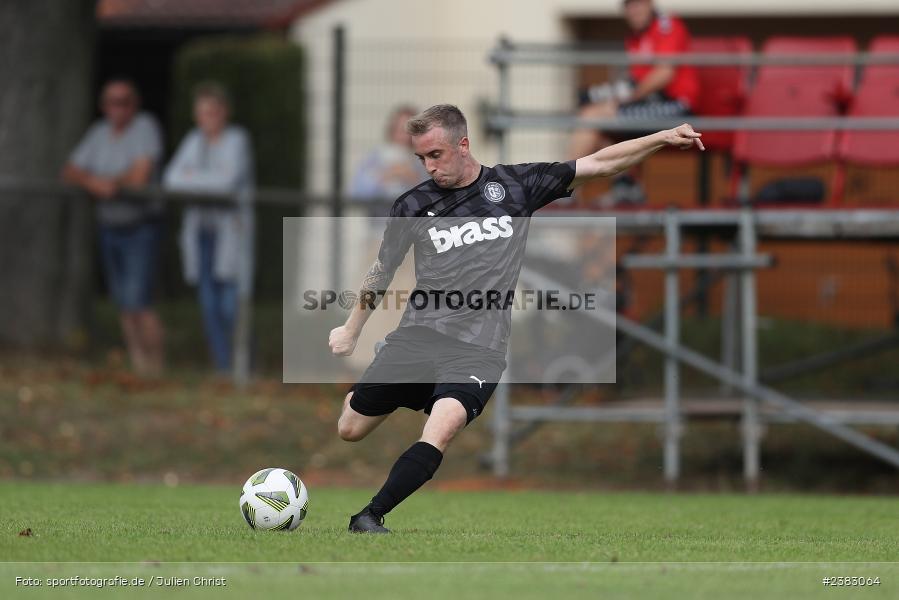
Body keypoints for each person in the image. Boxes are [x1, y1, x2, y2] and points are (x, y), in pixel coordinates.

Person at [328, 104, 703, 533]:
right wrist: (351, 329)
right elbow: (382, 271)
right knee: (350, 428)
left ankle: (370, 516)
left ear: (462, 144)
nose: (430, 167)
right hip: (419, 337)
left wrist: (659, 138)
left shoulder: (515, 185)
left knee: (443, 426)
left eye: (436, 155)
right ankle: (388, 374)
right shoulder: (412, 205)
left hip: (479, 349)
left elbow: (599, 163)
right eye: (422, 159)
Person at [62, 79, 166, 377]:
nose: (117, 108)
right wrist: (95, 183)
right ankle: (138, 365)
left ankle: (156, 369)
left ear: (134, 104)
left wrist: (110, 182)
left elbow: (140, 175)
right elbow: (70, 170)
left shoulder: (145, 127)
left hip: (140, 226)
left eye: (124, 102)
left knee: (140, 301)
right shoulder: (99, 133)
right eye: (111, 102)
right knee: (124, 303)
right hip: (110, 226)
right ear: (103, 105)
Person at [569, 0, 699, 205]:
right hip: (651, 103)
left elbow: (663, 74)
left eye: (639, 3)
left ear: (649, 4)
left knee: (593, 117)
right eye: (629, 5)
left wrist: (622, 102)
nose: (634, 9)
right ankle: (626, 184)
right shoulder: (635, 38)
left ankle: (565, 187)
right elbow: (635, 82)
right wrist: (605, 96)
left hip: (678, 106)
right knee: (596, 119)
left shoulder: (667, 25)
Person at [163, 82, 255, 374]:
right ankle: (222, 367)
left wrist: (193, 177)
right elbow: (171, 179)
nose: (209, 118)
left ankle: (243, 365)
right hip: (202, 234)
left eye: (214, 112)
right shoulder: (193, 141)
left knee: (232, 305)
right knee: (209, 307)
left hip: (230, 233)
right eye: (203, 113)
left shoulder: (237, 140)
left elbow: (227, 183)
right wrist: (207, 179)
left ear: (224, 113)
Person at [350, 105, 428, 215]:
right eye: (400, 130)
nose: (405, 137)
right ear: (392, 130)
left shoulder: (424, 160)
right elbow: (356, 192)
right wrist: (385, 175)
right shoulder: (376, 157)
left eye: (410, 131)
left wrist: (411, 177)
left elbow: (433, 195)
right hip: (380, 223)